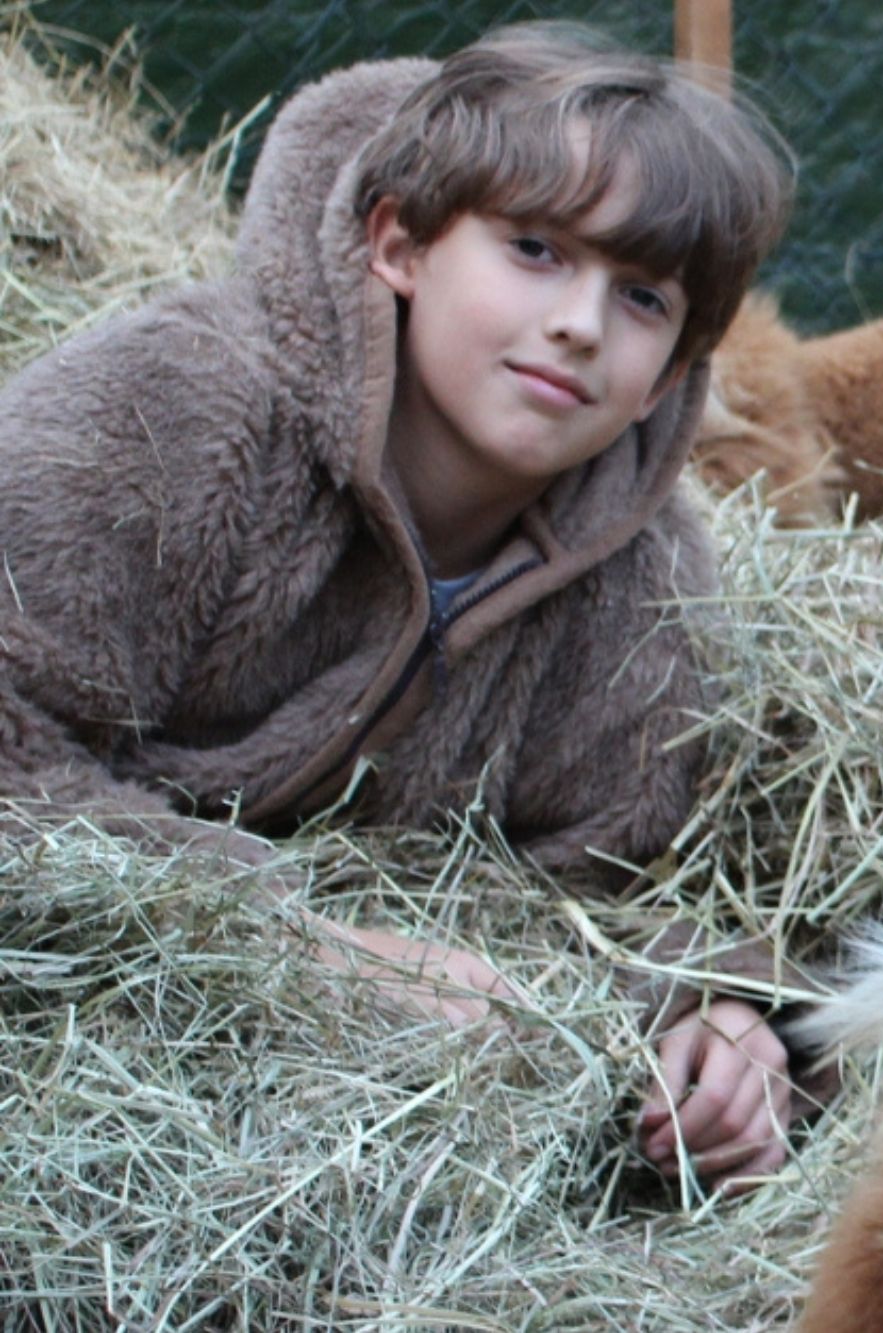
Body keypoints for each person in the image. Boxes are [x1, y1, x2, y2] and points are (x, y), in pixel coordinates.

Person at [0, 22, 802, 1193]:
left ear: (667, 378)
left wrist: (716, 1016)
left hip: (320, 1148)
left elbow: (622, 887)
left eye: (640, 297)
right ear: (400, 244)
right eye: (535, 249)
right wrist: (294, 939)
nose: (581, 322)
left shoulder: (646, 582)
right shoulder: (165, 412)